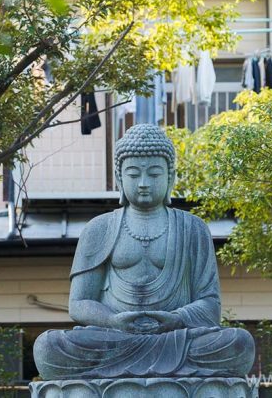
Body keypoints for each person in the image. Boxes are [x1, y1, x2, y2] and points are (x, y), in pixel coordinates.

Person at [34, 124, 254, 380]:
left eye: (154, 174)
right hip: (113, 338)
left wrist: (175, 319)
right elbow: (79, 303)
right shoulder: (98, 229)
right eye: (134, 174)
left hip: (178, 338)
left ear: (170, 178)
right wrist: (114, 321)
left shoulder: (193, 229)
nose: (143, 183)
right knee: (48, 348)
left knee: (239, 343)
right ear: (119, 178)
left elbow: (210, 307)